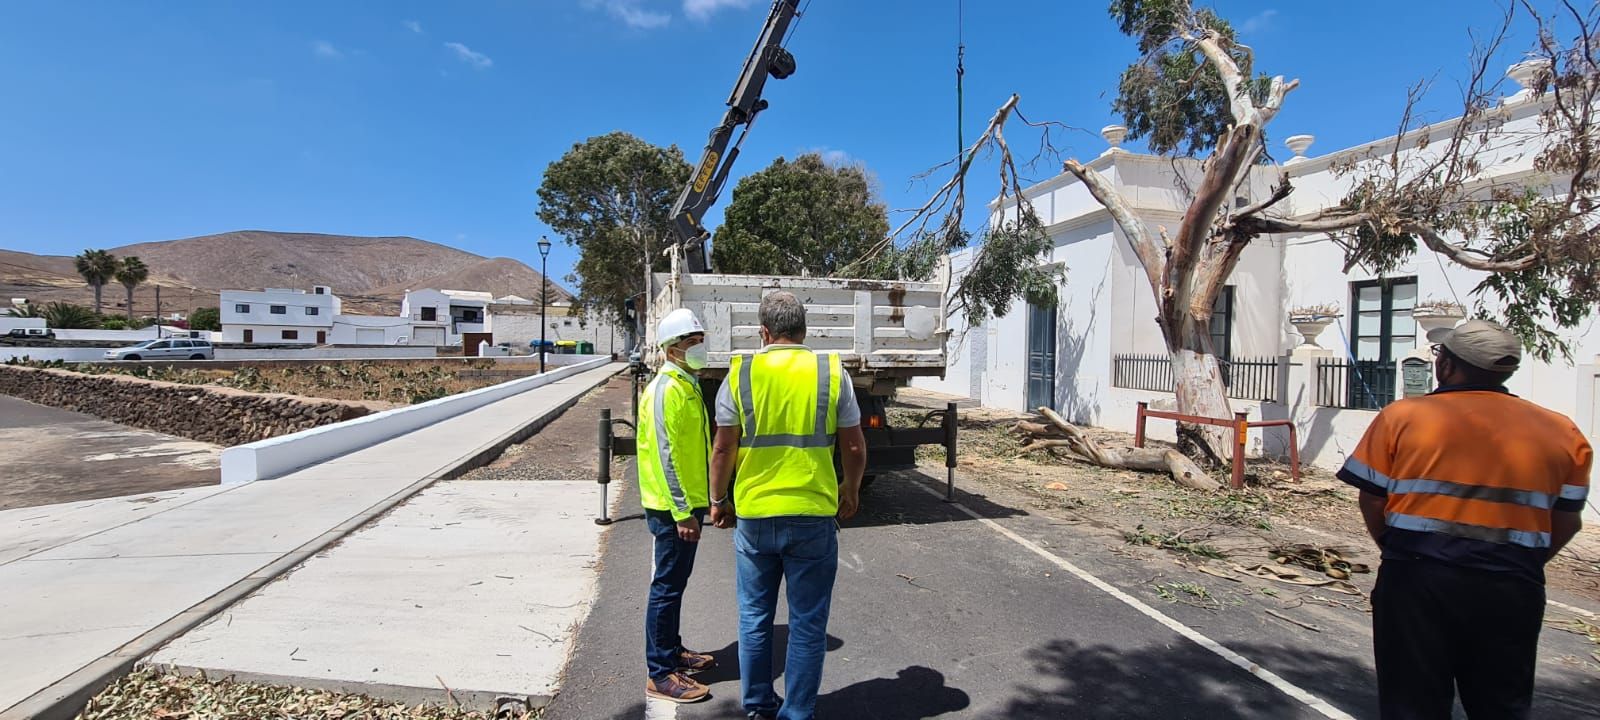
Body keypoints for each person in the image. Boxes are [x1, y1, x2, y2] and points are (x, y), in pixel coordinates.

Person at [1338, 319, 1592, 719]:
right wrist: (1520, 561)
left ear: (1447, 366)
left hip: (1418, 580)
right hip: (1512, 585)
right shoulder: (1562, 430)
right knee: (1501, 705)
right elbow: (1568, 523)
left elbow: (1371, 500)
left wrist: (1396, 548)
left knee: (1413, 703)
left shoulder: (1403, 417)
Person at [709, 290, 868, 720]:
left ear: (764, 332)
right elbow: (853, 446)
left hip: (756, 517)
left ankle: (758, 706)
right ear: (804, 331)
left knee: (755, 619)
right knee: (807, 624)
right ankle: (797, 713)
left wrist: (718, 501)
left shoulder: (741, 372)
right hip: (814, 515)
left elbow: (723, 448)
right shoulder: (831, 372)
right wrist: (850, 491)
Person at [638, 308, 719, 703]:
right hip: (673, 509)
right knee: (667, 587)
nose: (699, 348)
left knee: (676, 584)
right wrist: (683, 510)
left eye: (700, 341)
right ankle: (660, 672)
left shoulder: (687, 384)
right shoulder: (664, 390)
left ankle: (672, 652)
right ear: (672, 350)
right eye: (692, 343)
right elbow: (664, 455)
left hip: (689, 503)